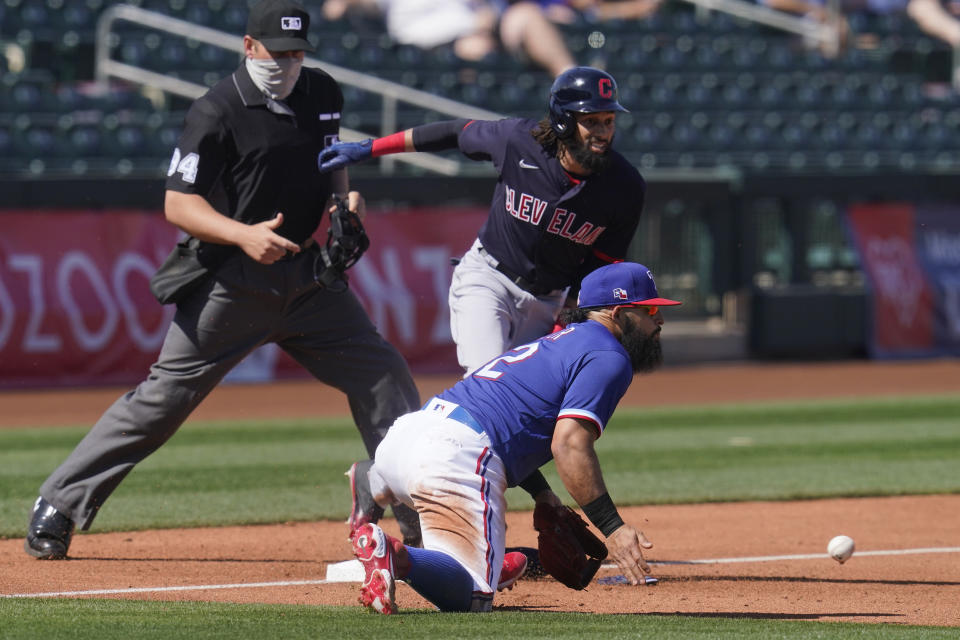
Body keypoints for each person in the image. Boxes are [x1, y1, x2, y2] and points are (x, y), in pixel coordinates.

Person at [24, 0, 422, 560]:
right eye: (276, 53)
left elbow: (332, 159)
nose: (287, 63)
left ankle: (419, 514)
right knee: (162, 401)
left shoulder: (322, 91)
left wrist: (343, 204)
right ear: (249, 47)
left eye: (297, 53)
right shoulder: (217, 110)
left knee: (384, 376)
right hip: (233, 285)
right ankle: (59, 504)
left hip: (311, 282)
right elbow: (177, 205)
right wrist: (241, 234)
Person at [344, 261, 680, 613]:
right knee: (473, 599)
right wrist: (613, 528)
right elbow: (569, 445)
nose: (659, 320)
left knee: (450, 495)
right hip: (450, 459)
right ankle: (394, 555)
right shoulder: (609, 355)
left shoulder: (560, 342)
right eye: (650, 309)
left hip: (408, 438)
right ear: (617, 313)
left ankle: (373, 478)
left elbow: (507, 424)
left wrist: (544, 494)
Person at [318, 66, 646, 378]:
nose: (603, 132)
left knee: (529, 403)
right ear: (563, 120)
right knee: (487, 383)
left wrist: (568, 317)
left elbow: (602, 266)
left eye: (608, 120)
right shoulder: (519, 140)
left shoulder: (625, 186)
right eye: (592, 121)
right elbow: (452, 132)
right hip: (489, 279)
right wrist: (371, 148)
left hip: (548, 302)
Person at [322, 0, 576, 76]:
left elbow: (488, 7)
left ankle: (572, 78)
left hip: (480, 29)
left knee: (527, 14)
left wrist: (487, 16)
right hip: (426, 42)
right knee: (475, 48)